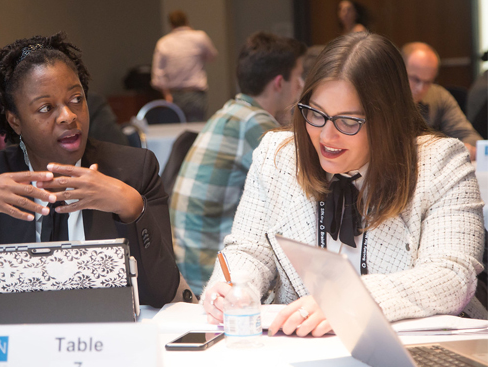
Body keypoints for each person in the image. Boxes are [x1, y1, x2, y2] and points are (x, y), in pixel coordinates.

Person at [202, 32, 487, 338]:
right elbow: (250, 249)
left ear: (388, 119)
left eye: (348, 122)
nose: (326, 137)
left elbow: (452, 276)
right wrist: (233, 287)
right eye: (316, 114)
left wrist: (349, 300)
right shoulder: (278, 155)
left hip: (416, 347)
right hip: (301, 349)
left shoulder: (440, 163)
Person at [0, 33, 191, 319]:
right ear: (15, 120)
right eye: (46, 108)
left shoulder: (132, 170)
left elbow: (162, 292)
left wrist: (131, 206)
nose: (68, 116)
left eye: (76, 99)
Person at [170, 32, 306, 294]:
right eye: (298, 77)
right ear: (279, 83)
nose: (301, 86)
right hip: (212, 279)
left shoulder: (231, 112)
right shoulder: (257, 126)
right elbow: (300, 196)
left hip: (189, 268)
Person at [402, 42, 482, 159]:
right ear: (399, 71)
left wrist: (465, 147)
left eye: (428, 82)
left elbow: (469, 137)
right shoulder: (382, 99)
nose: (421, 88)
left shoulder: (439, 96)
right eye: (415, 79)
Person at [151, 10, 218, 122]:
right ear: (187, 21)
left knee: (176, 132)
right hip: (195, 94)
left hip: (173, 94)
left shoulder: (163, 43)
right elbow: (212, 56)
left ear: (171, 25)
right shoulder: (199, 37)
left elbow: (158, 76)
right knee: (195, 132)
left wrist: (166, 94)